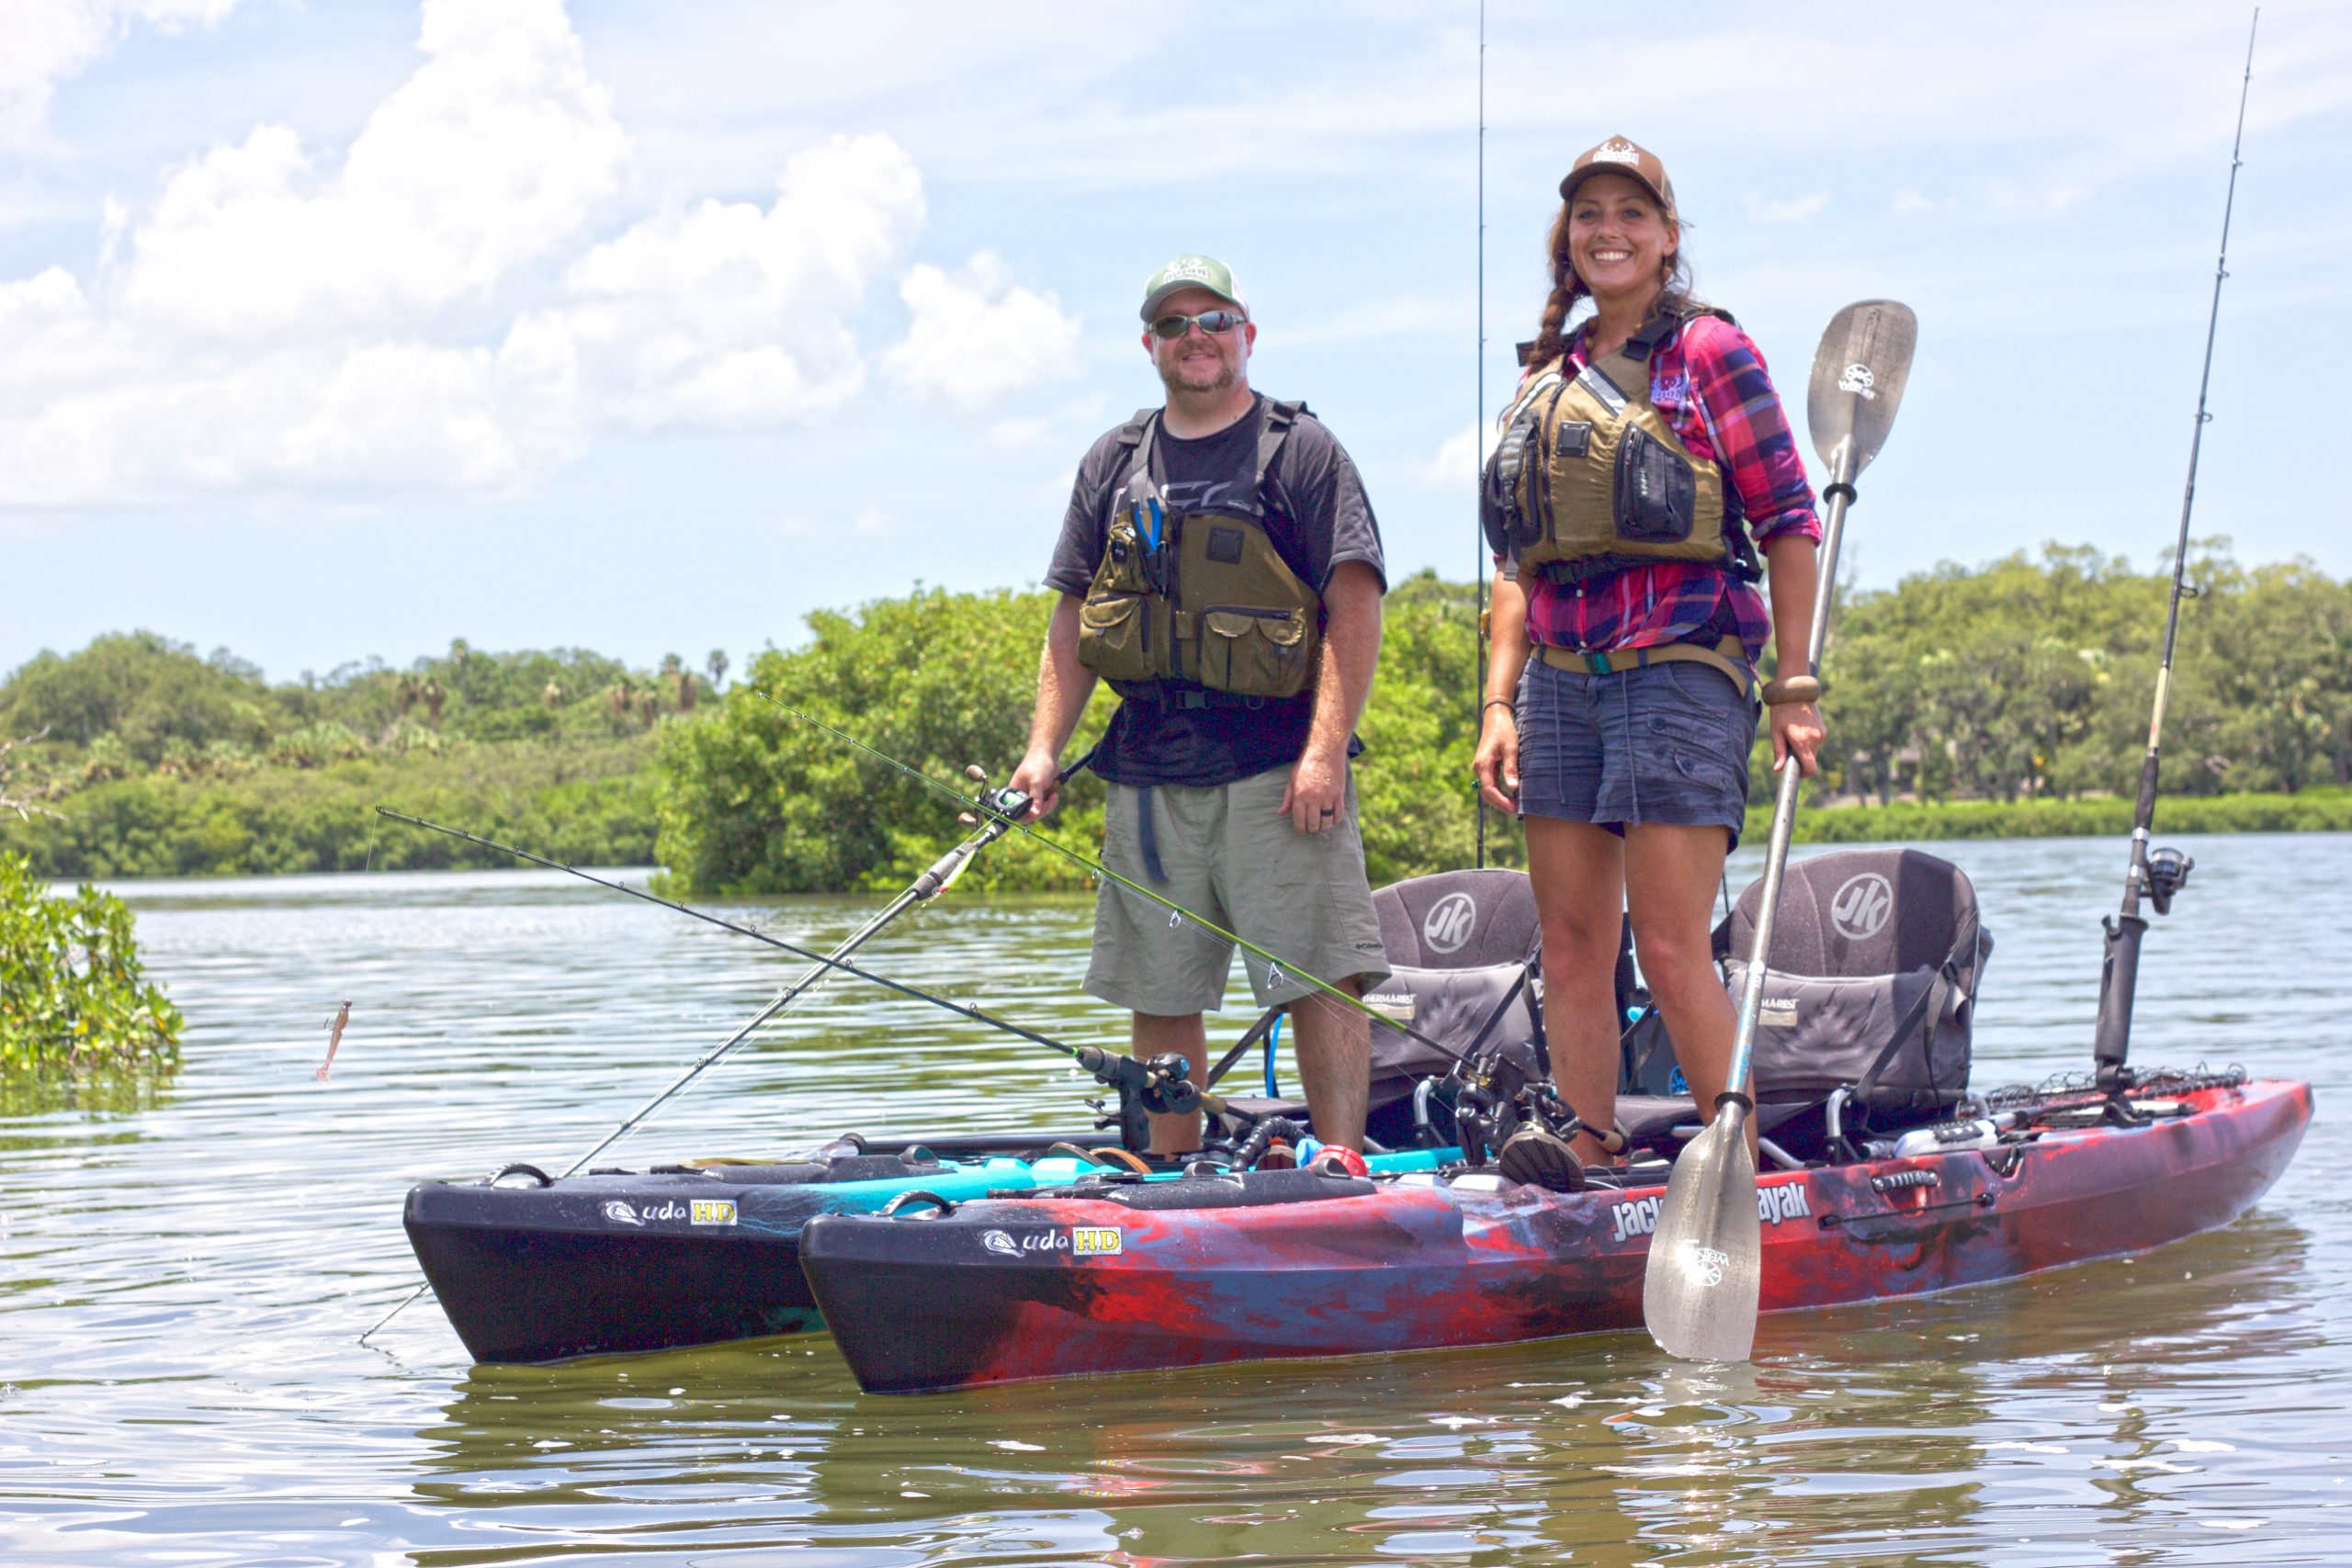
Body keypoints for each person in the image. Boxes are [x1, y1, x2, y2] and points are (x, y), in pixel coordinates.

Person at [1472, 137, 1825, 1181]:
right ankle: (1587, 1151)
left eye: (1632, 213)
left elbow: (1791, 524)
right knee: (1574, 948)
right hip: (1560, 682)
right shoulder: (1547, 375)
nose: (1608, 231)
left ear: (1667, 240)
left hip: (1680, 672)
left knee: (1671, 948)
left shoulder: (1710, 351)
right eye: (1589, 215)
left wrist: (1794, 684)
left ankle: (1734, 1169)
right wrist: (1500, 704)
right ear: (1567, 240)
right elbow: (1514, 567)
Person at [1007, 254, 1390, 1171]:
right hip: (1147, 774)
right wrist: (1041, 750)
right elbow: (1072, 614)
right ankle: (1167, 1178)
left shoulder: (1302, 451)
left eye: (1213, 319)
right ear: (1150, 345)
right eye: (1174, 325)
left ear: (1246, 334)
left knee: (1320, 973)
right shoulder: (1112, 460)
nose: (1196, 338)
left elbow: (1356, 601)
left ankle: (1340, 1163)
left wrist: (1324, 753)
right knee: (1160, 987)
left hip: (1275, 768)